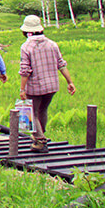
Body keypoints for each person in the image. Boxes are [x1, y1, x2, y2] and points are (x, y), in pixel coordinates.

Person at [18, 15, 75, 153]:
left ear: (26, 31)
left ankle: (40, 141)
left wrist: (22, 89)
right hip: (52, 85)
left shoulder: (26, 46)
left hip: (36, 86)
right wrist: (70, 82)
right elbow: (61, 64)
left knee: (32, 113)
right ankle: (39, 138)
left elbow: (25, 71)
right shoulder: (52, 44)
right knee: (42, 110)